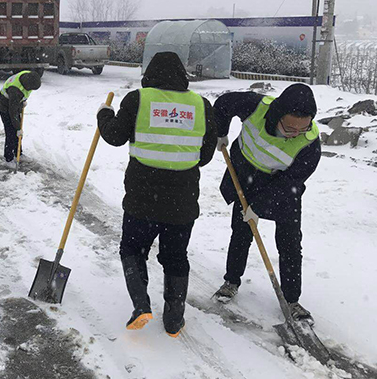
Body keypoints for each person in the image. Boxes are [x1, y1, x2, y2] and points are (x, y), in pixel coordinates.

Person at [97, 52, 217, 337]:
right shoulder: (201, 105)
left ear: (149, 74)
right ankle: (174, 319)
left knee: (132, 249)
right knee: (175, 256)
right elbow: (205, 155)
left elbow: (114, 136)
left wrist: (104, 114)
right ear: (182, 76)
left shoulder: (138, 100)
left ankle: (141, 306)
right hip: (183, 200)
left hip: (142, 198)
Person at [212, 83, 320, 324]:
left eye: (303, 128)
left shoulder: (310, 144)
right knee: (241, 231)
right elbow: (223, 104)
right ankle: (231, 281)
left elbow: (291, 183)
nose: (296, 134)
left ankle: (292, 300)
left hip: (281, 185)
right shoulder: (255, 106)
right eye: (290, 128)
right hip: (246, 173)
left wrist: (258, 208)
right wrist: (220, 132)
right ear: (278, 114)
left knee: (290, 242)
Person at [0, 70, 41, 163]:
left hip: (13, 103)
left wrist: (21, 103)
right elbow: (12, 112)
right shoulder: (15, 90)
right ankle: (8, 158)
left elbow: (16, 106)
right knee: (11, 132)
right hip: (4, 107)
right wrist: (17, 128)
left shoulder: (28, 75)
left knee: (17, 131)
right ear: (27, 86)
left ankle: (18, 153)